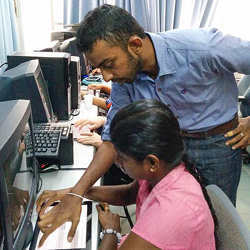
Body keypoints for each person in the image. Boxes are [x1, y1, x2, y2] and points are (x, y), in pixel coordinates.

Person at [36, 4, 250, 246]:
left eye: (108, 63)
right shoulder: (125, 79)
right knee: (163, 209)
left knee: (215, 225)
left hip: (217, 144)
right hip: (171, 145)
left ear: (135, 45)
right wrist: (77, 191)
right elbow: (111, 141)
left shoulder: (201, 47)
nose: (105, 76)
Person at [42, 100, 218, 249]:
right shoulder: (166, 170)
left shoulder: (171, 211)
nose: (116, 162)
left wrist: (111, 231)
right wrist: (76, 193)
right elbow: (129, 193)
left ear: (151, 163)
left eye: (121, 158)